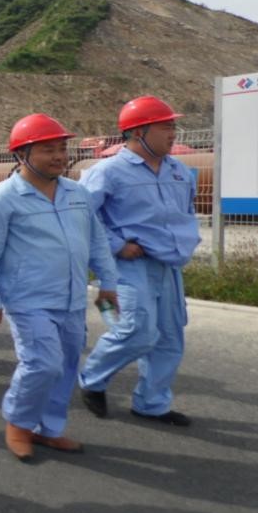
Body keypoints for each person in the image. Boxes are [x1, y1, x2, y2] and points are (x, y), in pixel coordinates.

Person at [0, 114, 120, 461]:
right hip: (28, 299)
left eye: (62, 148)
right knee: (42, 364)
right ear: (22, 154)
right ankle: (18, 424)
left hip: (71, 297)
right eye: (48, 150)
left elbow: (97, 242)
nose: (59, 156)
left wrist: (108, 283)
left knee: (66, 364)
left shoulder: (77, 193)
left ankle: (48, 429)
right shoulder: (2, 199)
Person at [78, 96, 201, 426]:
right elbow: (81, 216)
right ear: (138, 132)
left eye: (173, 126)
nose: (173, 134)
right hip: (128, 266)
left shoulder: (178, 171)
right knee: (138, 331)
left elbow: (186, 212)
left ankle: (152, 403)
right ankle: (92, 380)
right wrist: (117, 244)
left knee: (170, 337)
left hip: (168, 266)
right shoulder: (108, 172)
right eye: (165, 127)